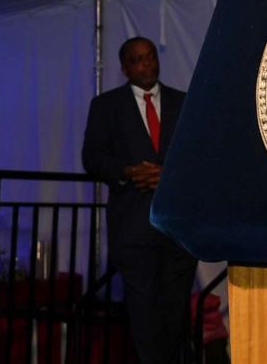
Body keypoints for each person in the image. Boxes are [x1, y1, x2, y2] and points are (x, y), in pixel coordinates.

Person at [82, 37, 198, 364]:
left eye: (149, 57)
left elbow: (198, 156)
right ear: (124, 67)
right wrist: (129, 171)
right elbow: (92, 158)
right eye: (137, 60)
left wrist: (169, 175)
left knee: (176, 318)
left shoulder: (183, 101)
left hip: (177, 232)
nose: (146, 64)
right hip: (133, 230)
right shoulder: (106, 106)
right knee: (144, 318)